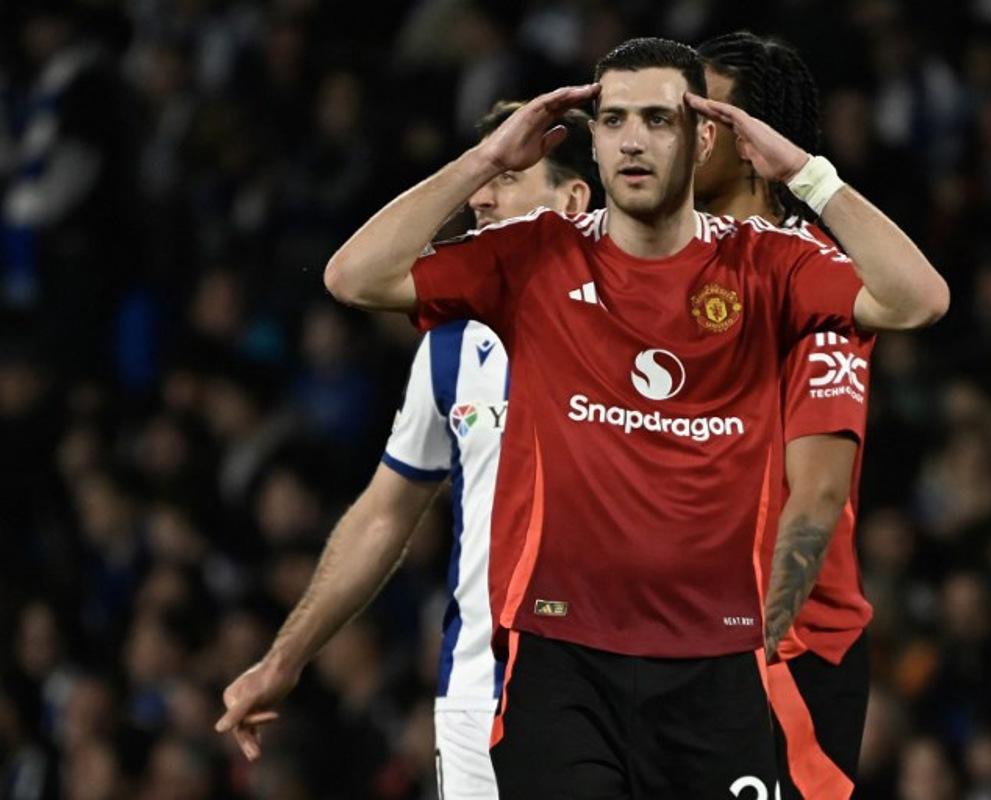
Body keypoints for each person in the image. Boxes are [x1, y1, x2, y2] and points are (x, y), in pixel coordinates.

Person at [314, 36, 946, 797]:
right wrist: (484, 162)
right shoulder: (534, 256)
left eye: (658, 118)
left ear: (705, 136)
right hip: (561, 660)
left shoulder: (765, 263)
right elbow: (353, 276)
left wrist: (807, 175)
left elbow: (919, 298)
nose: (634, 139)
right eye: (613, 120)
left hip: (717, 666)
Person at [214, 103, 596, 800]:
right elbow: (386, 513)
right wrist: (284, 657)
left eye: (509, 174)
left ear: (573, 200)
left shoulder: (651, 329)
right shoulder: (453, 346)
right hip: (482, 698)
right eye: (485, 172)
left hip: (627, 692)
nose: (480, 195)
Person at [697, 32, 875, 800]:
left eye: (696, 117)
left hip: (786, 658)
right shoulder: (669, 265)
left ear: (749, 144)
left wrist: (755, 645)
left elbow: (819, 495)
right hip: (675, 641)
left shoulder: (816, 279)